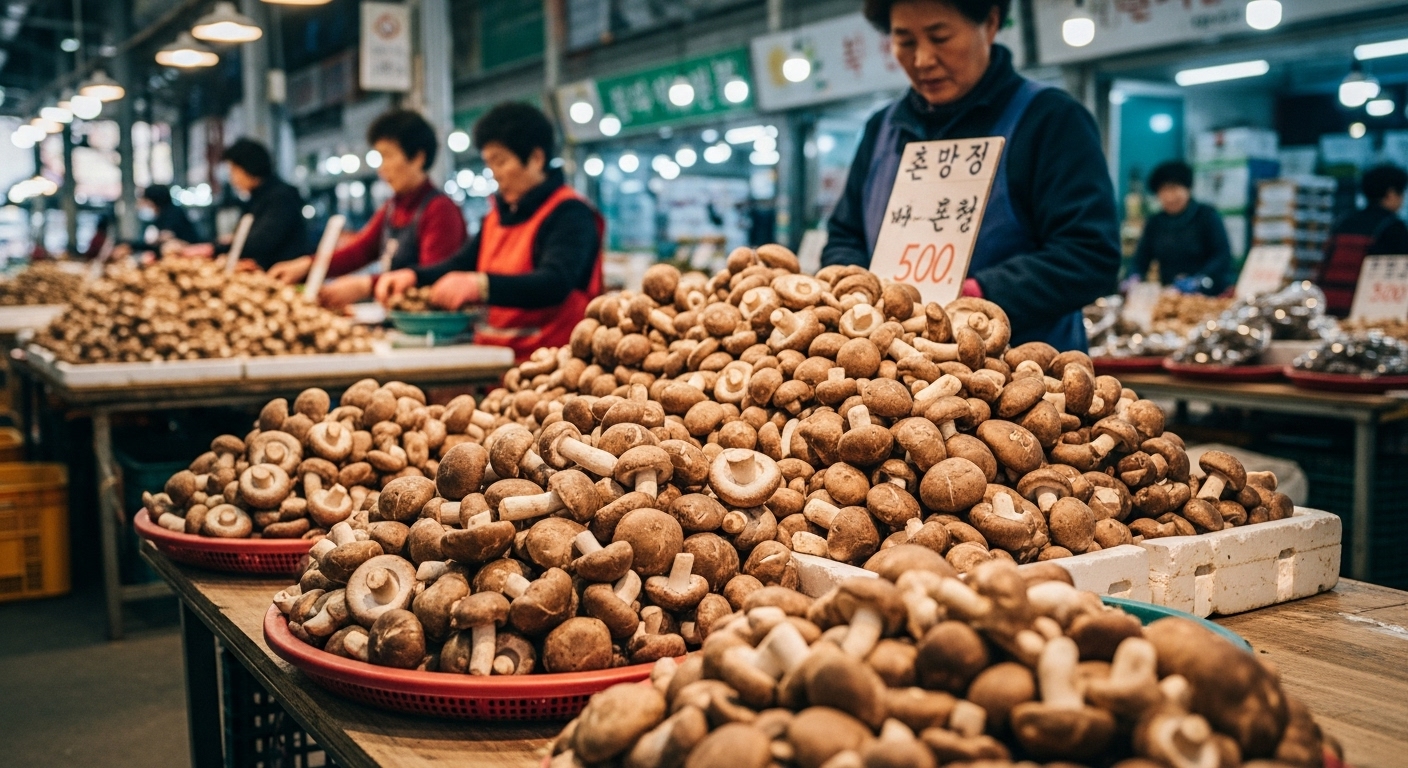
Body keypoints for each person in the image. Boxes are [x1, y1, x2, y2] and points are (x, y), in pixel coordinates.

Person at [821, 0, 1120, 351]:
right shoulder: (882, 129)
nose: (923, 60)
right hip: (887, 371)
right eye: (905, 41)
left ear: (991, 23)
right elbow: (844, 235)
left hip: (1024, 377)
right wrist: (858, 291)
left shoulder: (1051, 119)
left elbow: (1090, 254)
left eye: (940, 37)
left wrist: (978, 295)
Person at [376, 103, 602, 362]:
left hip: (553, 364)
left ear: (537, 158)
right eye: (489, 163)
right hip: (493, 359)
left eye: (501, 161)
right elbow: (462, 263)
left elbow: (555, 282)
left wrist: (480, 286)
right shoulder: (498, 215)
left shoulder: (570, 213)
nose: (495, 173)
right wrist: (413, 276)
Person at [268, 110, 466, 309]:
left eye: (388, 156)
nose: (382, 168)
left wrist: (366, 286)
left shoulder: (440, 210)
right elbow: (359, 251)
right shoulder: (393, 207)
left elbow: (432, 276)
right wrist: (308, 265)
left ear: (418, 158)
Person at [184, 139, 307, 270]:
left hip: (285, 275)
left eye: (233, 171)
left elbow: (262, 242)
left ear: (248, 167)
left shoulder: (281, 196)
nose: (232, 179)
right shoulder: (256, 198)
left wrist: (214, 249)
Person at [1129, 161, 1232, 295]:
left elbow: (1221, 256)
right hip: (1171, 293)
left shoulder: (1206, 216)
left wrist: (1198, 280)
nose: (1170, 197)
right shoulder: (1155, 222)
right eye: (1163, 190)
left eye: (1174, 188)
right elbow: (1140, 259)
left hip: (1208, 293)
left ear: (1188, 188)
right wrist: (1134, 277)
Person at [1320, 164, 1408, 316]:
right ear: (1391, 193)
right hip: (1364, 309)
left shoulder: (1343, 221)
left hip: (1327, 304)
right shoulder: (1393, 226)